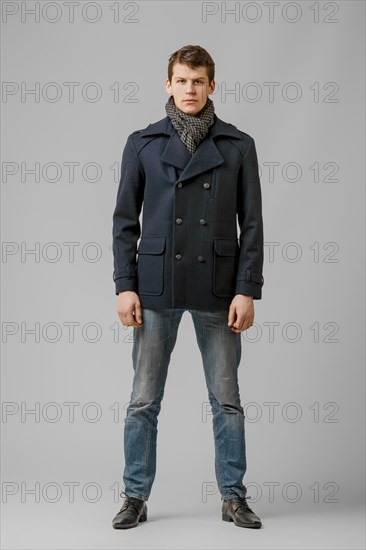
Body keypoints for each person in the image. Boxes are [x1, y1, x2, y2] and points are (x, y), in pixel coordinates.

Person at [111, 44, 264, 530]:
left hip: (218, 286)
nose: (190, 89)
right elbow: (123, 222)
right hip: (156, 285)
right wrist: (124, 285)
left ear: (211, 85)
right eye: (182, 80)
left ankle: (233, 497)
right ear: (168, 84)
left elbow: (253, 225)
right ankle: (134, 496)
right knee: (143, 400)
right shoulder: (142, 143)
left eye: (198, 81)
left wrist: (247, 289)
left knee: (227, 400)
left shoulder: (238, 144)